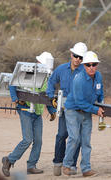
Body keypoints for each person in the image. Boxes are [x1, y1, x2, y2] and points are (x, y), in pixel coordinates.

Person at [1, 52, 56, 176]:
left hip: (37, 112)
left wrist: (52, 111)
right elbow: (12, 82)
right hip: (25, 109)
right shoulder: (27, 72)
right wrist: (15, 98)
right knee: (27, 139)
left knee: (38, 141)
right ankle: (9, 160)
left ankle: (31, 165)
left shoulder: (47, 78)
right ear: (38, 63)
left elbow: (46, 96)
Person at [46, 42, 87, 176]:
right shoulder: (61, 69)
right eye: (76, 56)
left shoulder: (85, 71)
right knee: (62, 135)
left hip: (79, 110)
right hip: (64, 108)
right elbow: (51, 82)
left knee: (77, 138)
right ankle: (57, 163)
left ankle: (71, 165)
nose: (78, 60)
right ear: (71, 55)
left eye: (81, 57)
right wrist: (51, 95)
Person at [62, 51, 104, 177]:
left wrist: (101, 104)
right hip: (72, 111)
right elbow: (79, 102)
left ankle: (86, 169)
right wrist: (96, 110)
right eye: (88, 65)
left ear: (97, 65)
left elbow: (100, 91)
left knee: (86, 141)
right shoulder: (79, 80)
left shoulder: (98, 76)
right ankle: (67, 165)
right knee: (74, 138)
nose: (91, 67)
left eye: (94, 64)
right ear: (84, 65)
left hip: (87, 111)